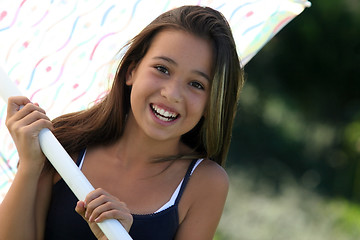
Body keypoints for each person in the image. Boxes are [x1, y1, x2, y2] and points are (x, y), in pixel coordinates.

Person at [0, 5, 244, 240]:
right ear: (131, 71)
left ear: (211, 104)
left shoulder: (205, 184)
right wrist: (30, 165)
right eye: (162, 69)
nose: (172, 93)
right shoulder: (62, 143)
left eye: (197, 84)